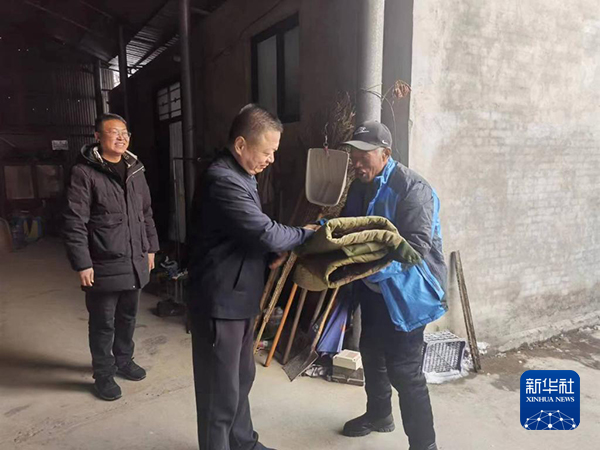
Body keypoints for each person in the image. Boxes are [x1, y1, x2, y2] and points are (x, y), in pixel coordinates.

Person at [188, 104, 316, 450]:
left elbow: (240, 233)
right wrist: (303, 235)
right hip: (219, 302)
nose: (271, 159)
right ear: (241, 144)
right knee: (219, 392)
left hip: (240, 298)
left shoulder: (243, 175)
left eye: (274, 152)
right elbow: (264, 231)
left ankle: (242, 443)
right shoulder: (222, 179)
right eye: (267, 151)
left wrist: (271, 254)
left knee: (241, 379)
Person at [340, 121, 446, 450]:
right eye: (354, 156)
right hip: (374, 290)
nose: (357, 164)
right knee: (371, 352)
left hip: (408, 293)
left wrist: (367, 268)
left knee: (405, 370)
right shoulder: (359, 186)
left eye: (364, 157)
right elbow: (345, 227)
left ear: (385, 154)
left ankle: (424, 445)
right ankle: (379, 415)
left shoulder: (413, 188)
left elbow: (415, 249)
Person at [63, 113, 159, 401]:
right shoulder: (84, 172)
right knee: (103, 322)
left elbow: (146, 213)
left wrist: (150, 248)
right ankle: (103, 373)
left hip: (135, 258)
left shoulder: (135, 169)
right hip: (103, 261)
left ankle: (124, 360)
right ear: (97, 137)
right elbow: (74, 220)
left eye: (125, 133)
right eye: (114, 132)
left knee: (128, 317)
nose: (121, 137)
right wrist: (82, 263)